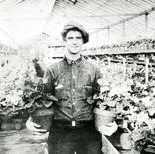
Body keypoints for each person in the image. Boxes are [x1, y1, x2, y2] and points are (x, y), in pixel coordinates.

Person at [26, 21, 117, 154]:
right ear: (65, 41)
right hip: (60, 132)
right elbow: (41, 99)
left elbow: (103, 100)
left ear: (83, 41)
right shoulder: (52, 70)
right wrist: (30, 120)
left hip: (88, 132)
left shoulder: (93, 70)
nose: (74, 42)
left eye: (78, 38)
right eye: (70, 38)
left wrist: (113, 123)